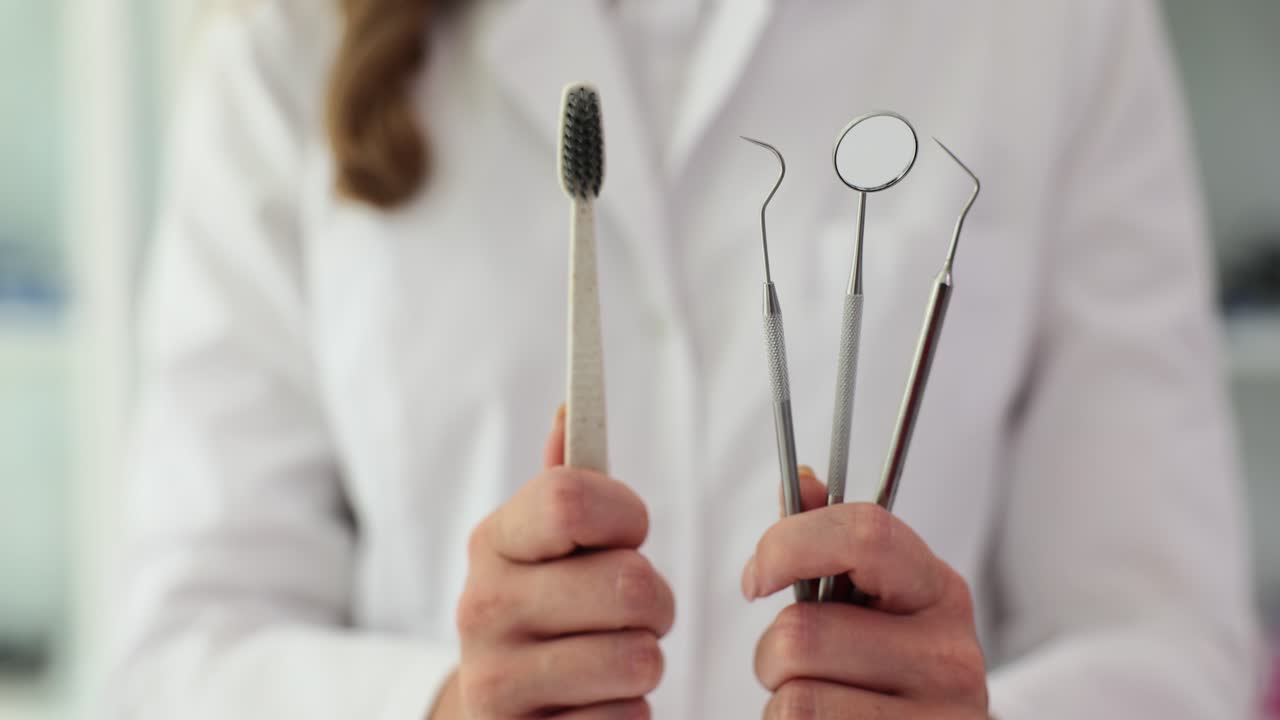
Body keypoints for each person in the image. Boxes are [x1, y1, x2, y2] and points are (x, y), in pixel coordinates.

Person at [111, 0, 1261, 717]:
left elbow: (1173, 646)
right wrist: (445, 706)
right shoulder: (282, 42)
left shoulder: (1057, 26)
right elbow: (172, 658)